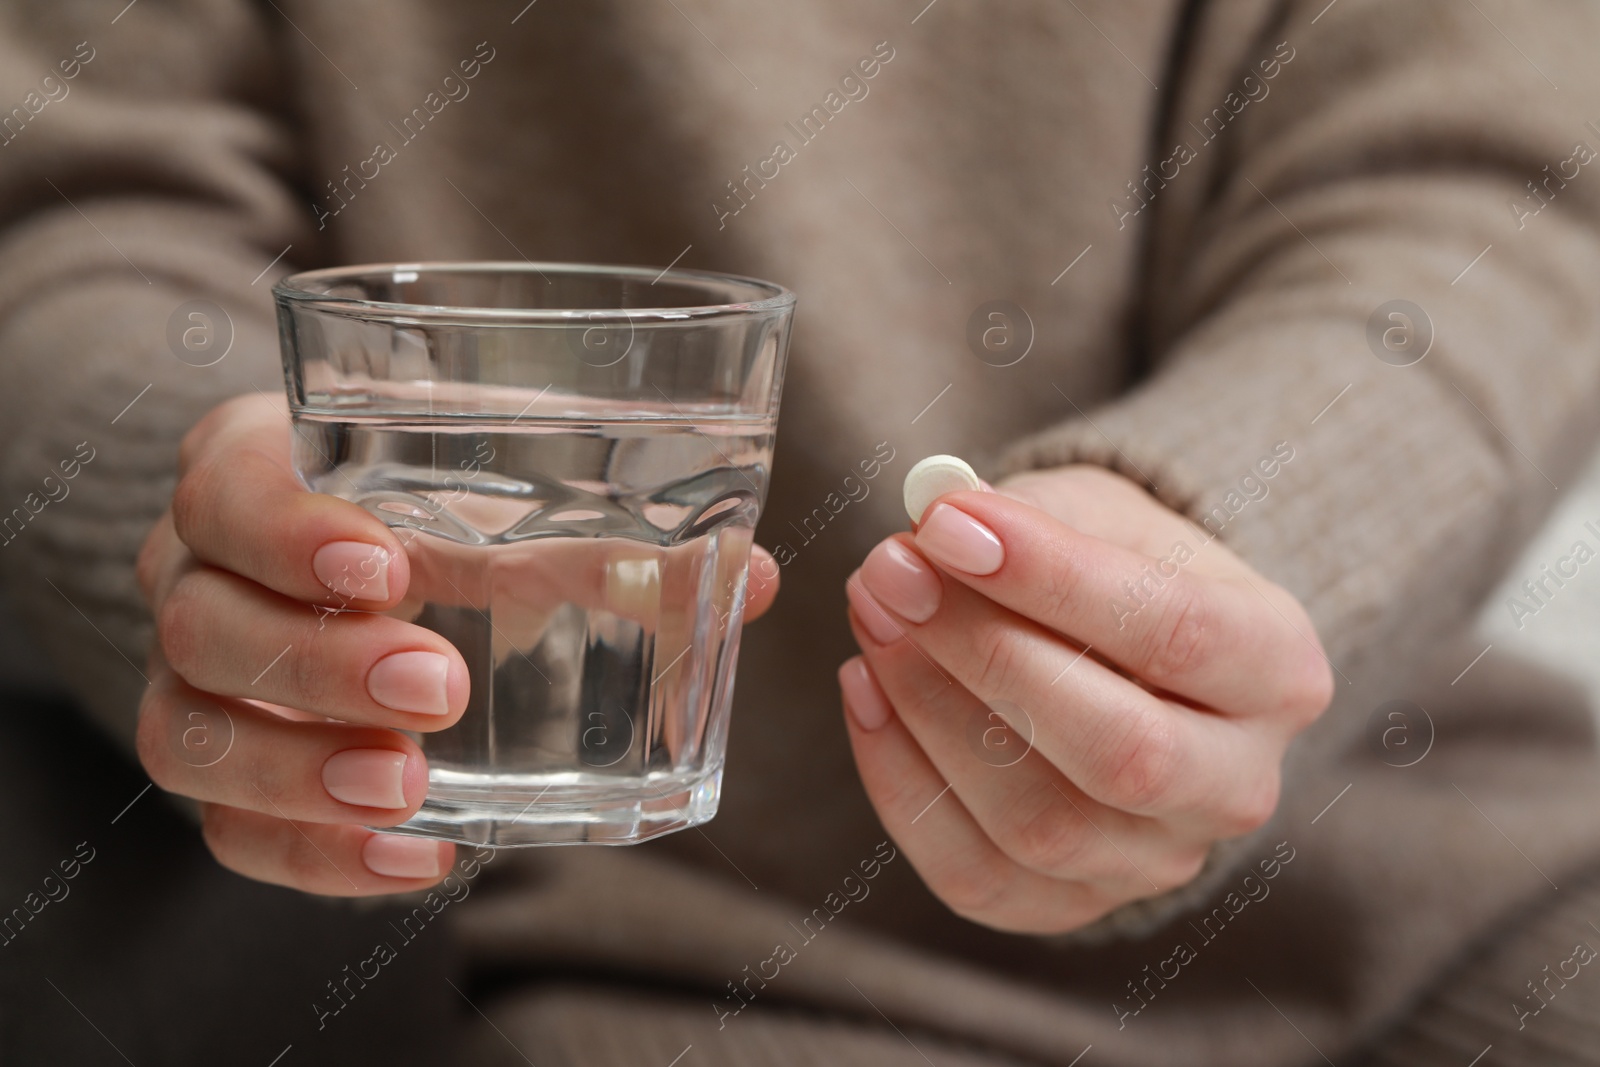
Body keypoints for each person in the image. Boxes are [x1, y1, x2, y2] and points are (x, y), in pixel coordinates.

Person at [4, 1, 1600, 1063]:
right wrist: (202, 517)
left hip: (1377, 844)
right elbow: (64, 204)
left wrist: (1230, 534)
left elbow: (1497, 191)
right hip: (433, 918)